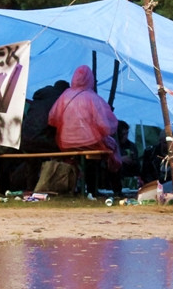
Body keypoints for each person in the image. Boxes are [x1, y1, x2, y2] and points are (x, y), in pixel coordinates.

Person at [48, 65, 122, 193]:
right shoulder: (93, 98)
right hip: (91, 142)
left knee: (85, 158)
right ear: (91, 79)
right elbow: (105, 126)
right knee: (112, 148)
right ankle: (114, 188)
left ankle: (77, 188)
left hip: (65, 143)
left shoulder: (65, 96)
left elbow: (52, 119)